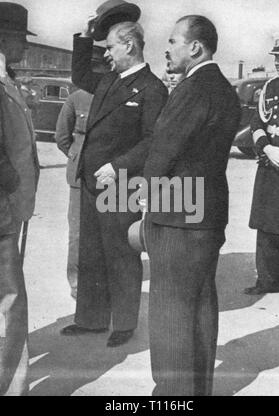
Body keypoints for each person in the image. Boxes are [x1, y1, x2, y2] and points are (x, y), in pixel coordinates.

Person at [142, 15, 241, 395]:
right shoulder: (223, 89)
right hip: (207, 216)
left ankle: (171, 396)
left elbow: (162, 152)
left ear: (195, 47)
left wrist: (141, 201)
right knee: (199, 306)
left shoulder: (192, 88)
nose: (167, 49)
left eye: (172, 41)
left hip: (177, 218)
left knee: (170, 311)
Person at [60, 16, 168, 348]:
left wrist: (118, 165)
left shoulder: (152, 88)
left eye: (110, 47)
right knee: (91, 253)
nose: (106, 54)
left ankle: (123, 324)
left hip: (122, 184)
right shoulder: (109, 81)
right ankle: (90, 319)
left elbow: (153, 140)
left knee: (121, 253)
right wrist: (88, 35)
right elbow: (79, 75)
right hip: (92, 181)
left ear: (130, 45)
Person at [0, 3, 39, 395]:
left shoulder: (6, 78)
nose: (24, 48)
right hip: (2, 211)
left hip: (11, 208)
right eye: (19, 39)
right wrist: (11, 187)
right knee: (11, 302)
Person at [245, 33, 279, 302]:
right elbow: (257, 123)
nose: (277, 62)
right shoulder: (271, 87)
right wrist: (266, 148)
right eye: (276, 57)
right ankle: (268, 279)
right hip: (271, 160)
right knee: (267, 222)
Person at [55, 89, 93, 300]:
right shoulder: (76, 98)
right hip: (80, 178)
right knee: (78, 233)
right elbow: (62, 137)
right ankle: (77, 284)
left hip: (111, 177)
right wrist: (76, 157)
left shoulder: (118, 93)